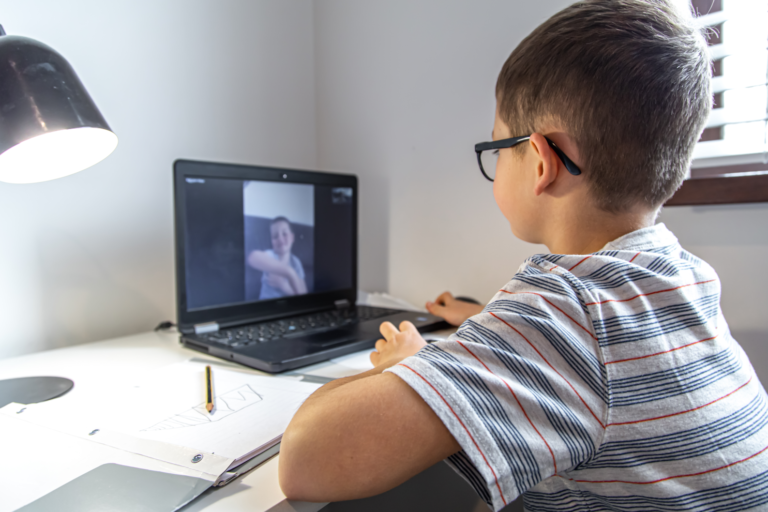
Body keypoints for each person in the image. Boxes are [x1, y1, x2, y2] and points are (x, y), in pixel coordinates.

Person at [278, 1, 768, 510]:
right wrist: (484, 320)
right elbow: (595, 352)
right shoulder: (680, 274)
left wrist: (409, 366)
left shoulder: (564, 311)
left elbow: (304, 462)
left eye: (496, 147)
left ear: (540, 161)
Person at [247, 216, 307, 299]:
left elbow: (304, 294)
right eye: (275, 236)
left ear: (292, 237)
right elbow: (252, 257)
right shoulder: (270, 255)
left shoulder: (296, 262)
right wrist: (288, 271)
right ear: (272, 242)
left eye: (284, 234)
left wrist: (283, 285)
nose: (280, 239)